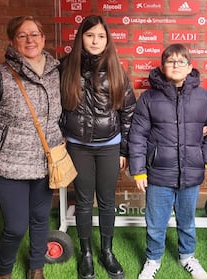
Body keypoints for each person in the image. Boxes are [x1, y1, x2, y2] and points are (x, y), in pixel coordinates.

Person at [0, 16, 62, 279]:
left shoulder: (57, 72)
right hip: (8, 165)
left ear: (43, 39)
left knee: (40, 219)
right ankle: (3, 272)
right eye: (22, 36)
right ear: (13, 41)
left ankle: (36, 268)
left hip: (46, 163)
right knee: (15, 226)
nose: (30, 40)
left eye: (35, 34)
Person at [128, 43, 207, 279]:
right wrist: (139, 171)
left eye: (181, 61)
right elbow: (137, 135)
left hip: (190, 174)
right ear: (162, 67)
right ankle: (153, 259)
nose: (176, 65)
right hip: (158, 174)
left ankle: (187, 256)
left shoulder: (203, 97)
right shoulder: (149, 98)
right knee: (155, 222)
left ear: (190, 67)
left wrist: (205, 157)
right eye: (170, 61)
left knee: (187, 220)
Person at [59, 15, 136, 279]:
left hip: (109, 146)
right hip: (78, 146)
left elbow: (128, 112)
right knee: (82, 201)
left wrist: (124, 149)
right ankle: (87, 254)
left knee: (106, 200)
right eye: (90, 35)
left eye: (100, 36)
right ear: (81, 37)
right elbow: (55, 107)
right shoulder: (66, 66)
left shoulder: (116, 67)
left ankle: (107, 252)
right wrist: (60, 138)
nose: (95, 40)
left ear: (107, 39)